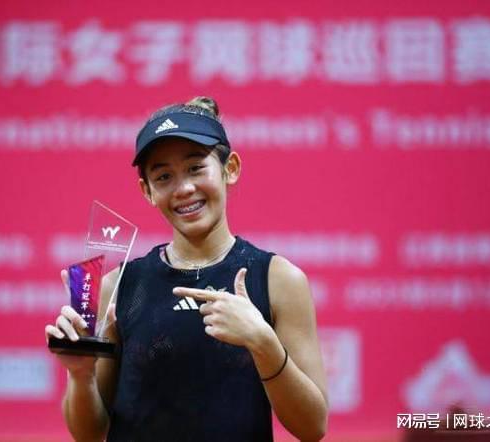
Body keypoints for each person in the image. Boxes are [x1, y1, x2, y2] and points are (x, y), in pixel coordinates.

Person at [45, 97, 328, 442]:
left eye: (196, 168)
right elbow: (88, 434)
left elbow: (312, 427)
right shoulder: (116, 287)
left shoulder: (278, 280)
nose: (184, 189)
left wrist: (264, 344)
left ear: (230, 168)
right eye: (164, 176)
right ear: (147, 191)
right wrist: (80, 375)